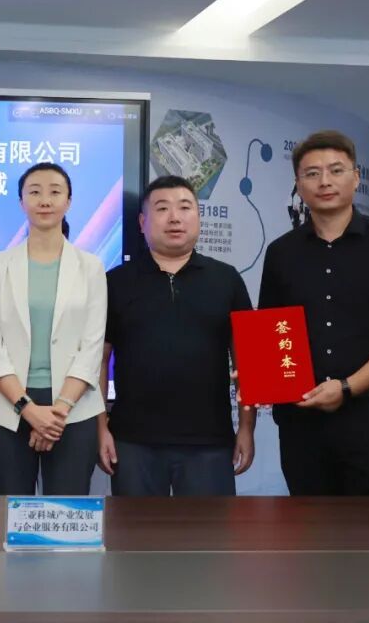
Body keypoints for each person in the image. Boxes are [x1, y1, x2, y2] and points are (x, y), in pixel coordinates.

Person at [259, 130, 369, 495]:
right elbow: (273, 331)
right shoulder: (281, 252)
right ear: (298, 185)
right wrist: (261, 372)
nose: (325, 181)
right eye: (312, 173)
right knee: (307, 525)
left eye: (336, 170)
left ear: (356, 177)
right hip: (302, 419)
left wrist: (348, 387)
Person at [98, 175, 255, 496]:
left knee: (208, 529)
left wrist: (247, 427)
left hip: (209, 442)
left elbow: (248, 360)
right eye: (162, 208)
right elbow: (98, 360)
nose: (174, 217)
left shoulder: (226, 280)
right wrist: (100, 428)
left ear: (198, 217)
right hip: (133, 441)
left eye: (185, 207)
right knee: (136, 528)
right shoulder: (115, 282)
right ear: (142, 222)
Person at [0, 162, 106, 495]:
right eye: (34, 192)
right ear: (21, 202)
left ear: (69, 201)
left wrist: (57, 414)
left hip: (74, 409)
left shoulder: (91, 267)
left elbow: (92, 347)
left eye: (55, 192)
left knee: (67, 511)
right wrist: (29, 410)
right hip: (8, 407)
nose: (45, 200)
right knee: (8, 509)